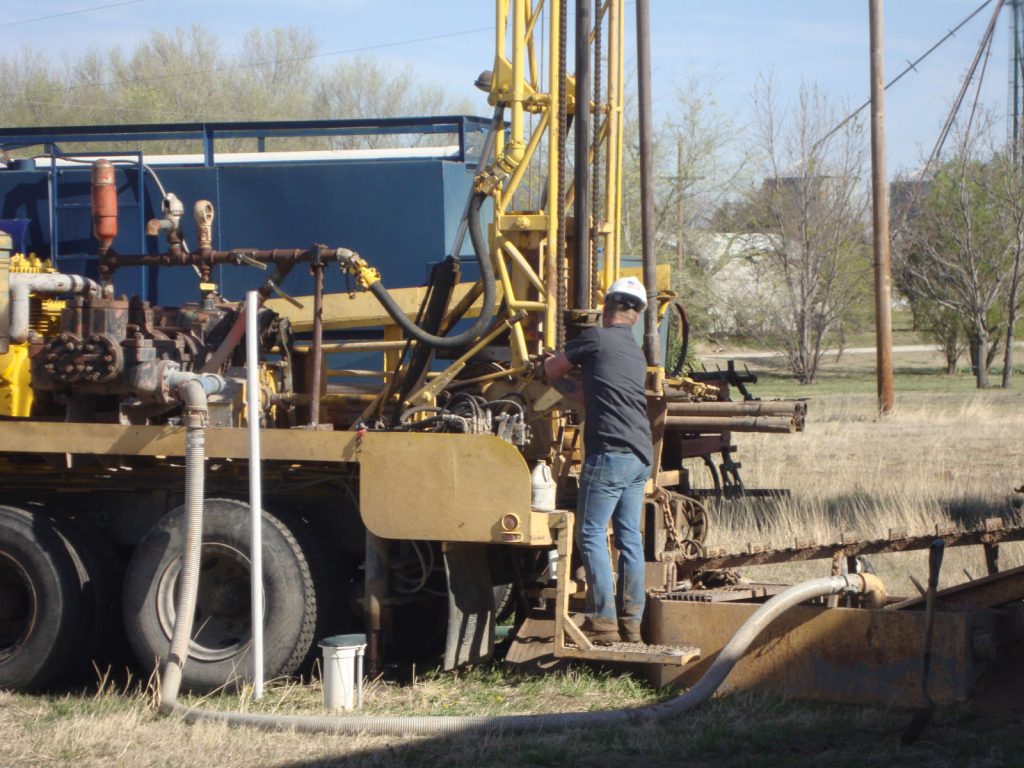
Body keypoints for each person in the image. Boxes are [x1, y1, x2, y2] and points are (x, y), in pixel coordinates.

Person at [541, 276, 653, 645]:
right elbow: (589, 396)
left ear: (605, 309)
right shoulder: (634, 353)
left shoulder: (595, 338)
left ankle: (603, 622)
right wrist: (565, 385)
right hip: (640, 455)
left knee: (590, 533)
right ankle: (632, 623)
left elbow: (553, 370)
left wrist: (545, 367)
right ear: (635, 315)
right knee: (629, 539)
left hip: (609, 453)